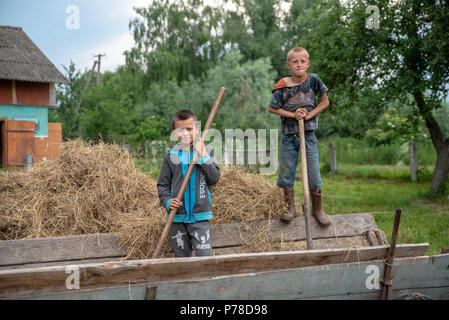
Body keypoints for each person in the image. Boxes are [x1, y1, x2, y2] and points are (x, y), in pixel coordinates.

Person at [268, 47, 331, 227]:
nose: (299, 64)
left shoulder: (314, 80)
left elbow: (325, 102)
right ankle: (290, 208)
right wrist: (293, 115)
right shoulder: (282, 86)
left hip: (309, 135)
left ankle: (317, 209)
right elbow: (272, 108)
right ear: (288, 65)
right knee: (286, 171)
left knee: (313, 172)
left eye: (303, 61)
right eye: (295, 62)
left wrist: (309, 115)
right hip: (289, 136)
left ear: (308, 63)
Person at [157, 109, 220, 257]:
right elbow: (163, 185)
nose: (185, 133)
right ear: (174, 132)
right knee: (182, 259)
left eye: (189, 129)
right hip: (177, 217)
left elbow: (215, 178)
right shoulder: (171, 156)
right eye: (180, 130)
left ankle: (206, 280)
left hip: (200, 216)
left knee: (204, 257)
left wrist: (203, 156)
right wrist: (167, 201)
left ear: (197, 129)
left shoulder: (207, 151)